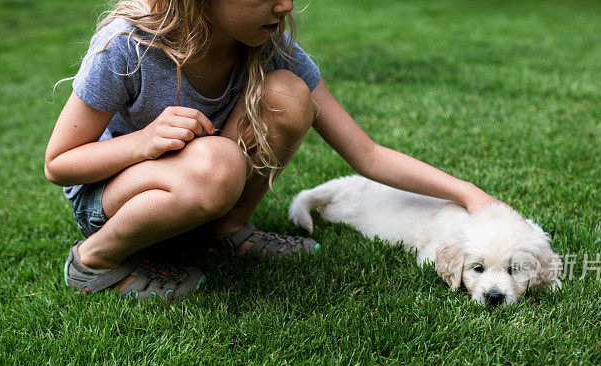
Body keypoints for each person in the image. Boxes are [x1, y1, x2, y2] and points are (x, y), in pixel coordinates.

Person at [45, 0, 505, 301]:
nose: (285, 4)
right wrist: (143, 143)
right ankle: (94, 261)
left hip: (201, 187)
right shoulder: (128, 46)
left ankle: (225, 232)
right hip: (112, 201)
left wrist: (468, 194)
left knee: (287, 94)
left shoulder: (268, 46)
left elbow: (366, 154)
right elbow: (59, 164)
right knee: (217, 162)